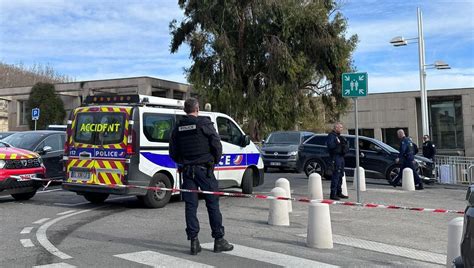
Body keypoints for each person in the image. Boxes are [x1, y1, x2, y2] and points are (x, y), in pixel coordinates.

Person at [169, 98, 234, 255]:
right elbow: (217, 144)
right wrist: (214, 161)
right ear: (197, 109)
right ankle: (219, 240)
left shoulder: (178, 128)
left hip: (187, 172)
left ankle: (194, 242)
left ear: (185, 110)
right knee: (212, 204)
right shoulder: (204, 124)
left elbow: (172, 152)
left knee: (191, 206)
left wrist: (183, 162)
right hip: (204, 170)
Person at [326, 122, 349, 200]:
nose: (341, 129)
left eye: (342, 127)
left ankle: (339, 192)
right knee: (336, 175)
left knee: (340, 175)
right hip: (335, 157)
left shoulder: (339, 136)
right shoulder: (331, 136)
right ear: (336, 128)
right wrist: (338, 144)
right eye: (340, 127)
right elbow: (330, 146)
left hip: (341, 157)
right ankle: (333, 194)